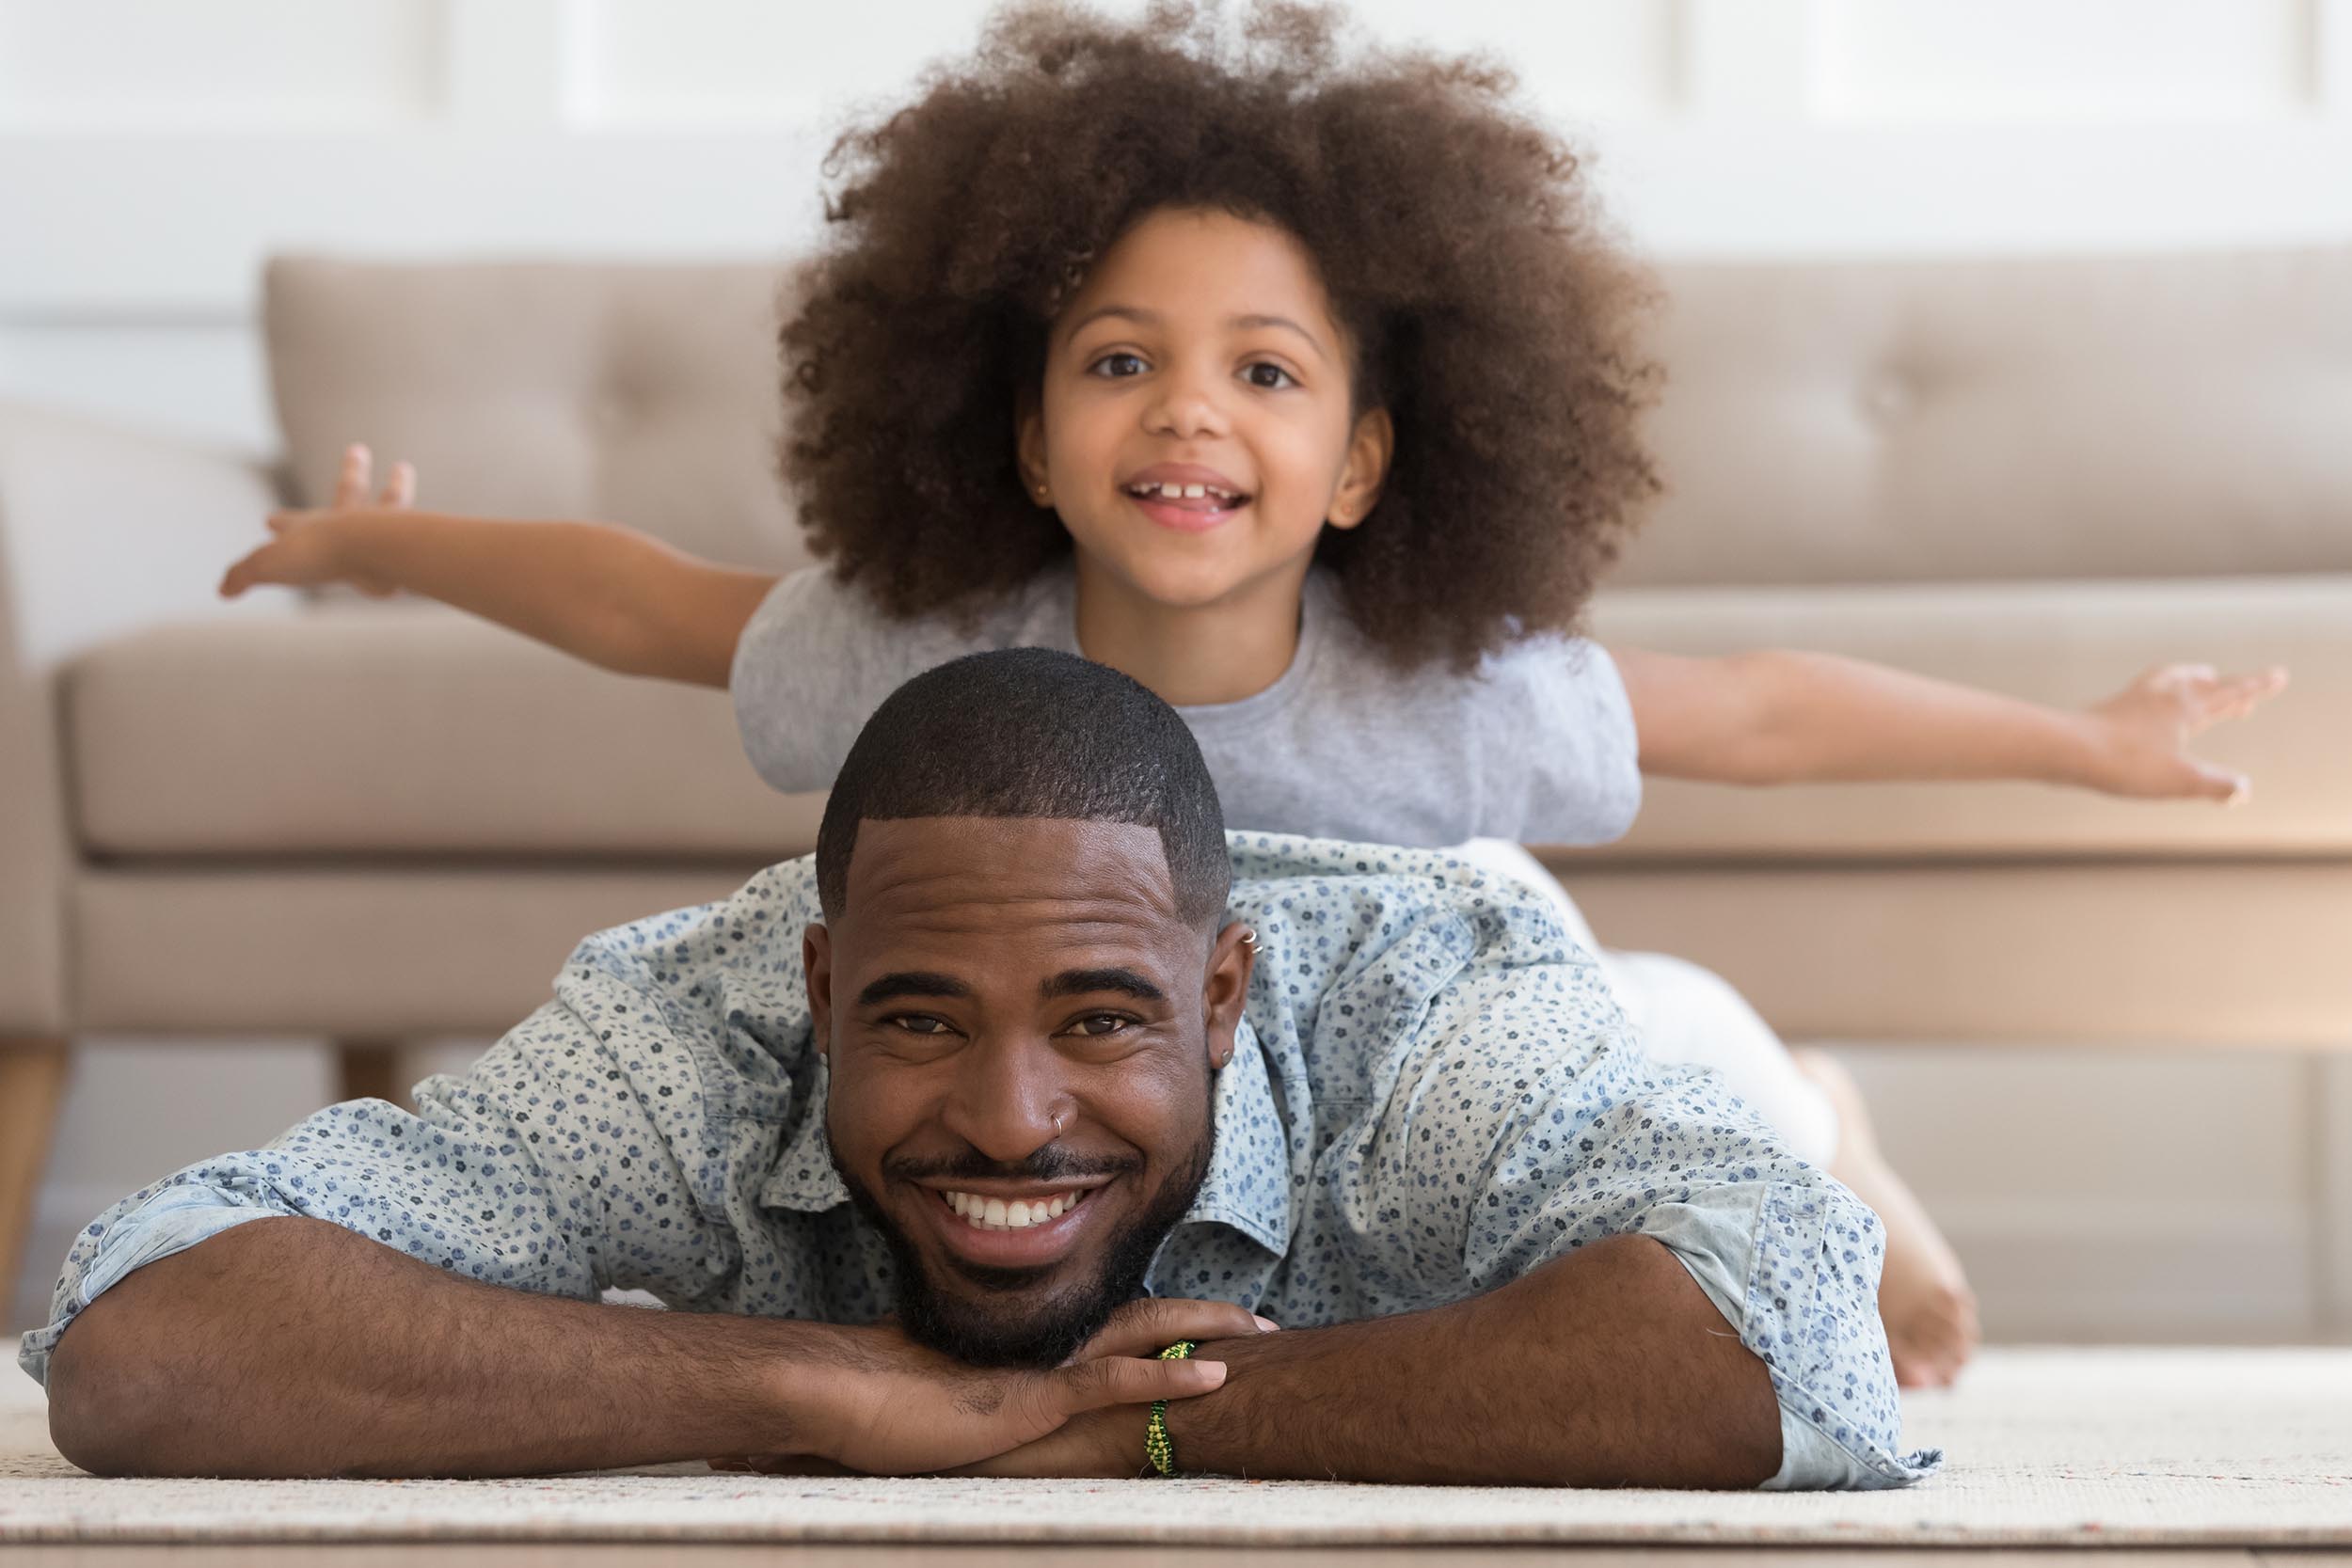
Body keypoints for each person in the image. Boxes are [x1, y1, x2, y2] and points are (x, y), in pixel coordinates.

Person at [217, 2, 2284, 1390]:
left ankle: (1826, 1122)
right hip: (1163, 1105)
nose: (1184, 410)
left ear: (1366, 464)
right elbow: (650, 602)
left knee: (1674, 1065)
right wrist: (388, 550)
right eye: (1119, 360)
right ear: (1024, 437)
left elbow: (1757, 710)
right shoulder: (932, 652)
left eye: (1264, 373)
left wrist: (2077, 744)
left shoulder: (1437, 692)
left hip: (1426, 1051)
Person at [27, 650, 1935, 1488]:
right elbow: (147, 1334)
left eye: (1099, 1020)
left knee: (1735, 1100)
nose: (1010, 1120)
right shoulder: (692, 1028)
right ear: (825, 981)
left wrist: (1160, 1419)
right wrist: (833, 1388)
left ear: (1218, 1000)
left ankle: (1828, 1101)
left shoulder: (1429, 1006)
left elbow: (1788, 1331)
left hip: (1568, 978)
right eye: (921, 1021)